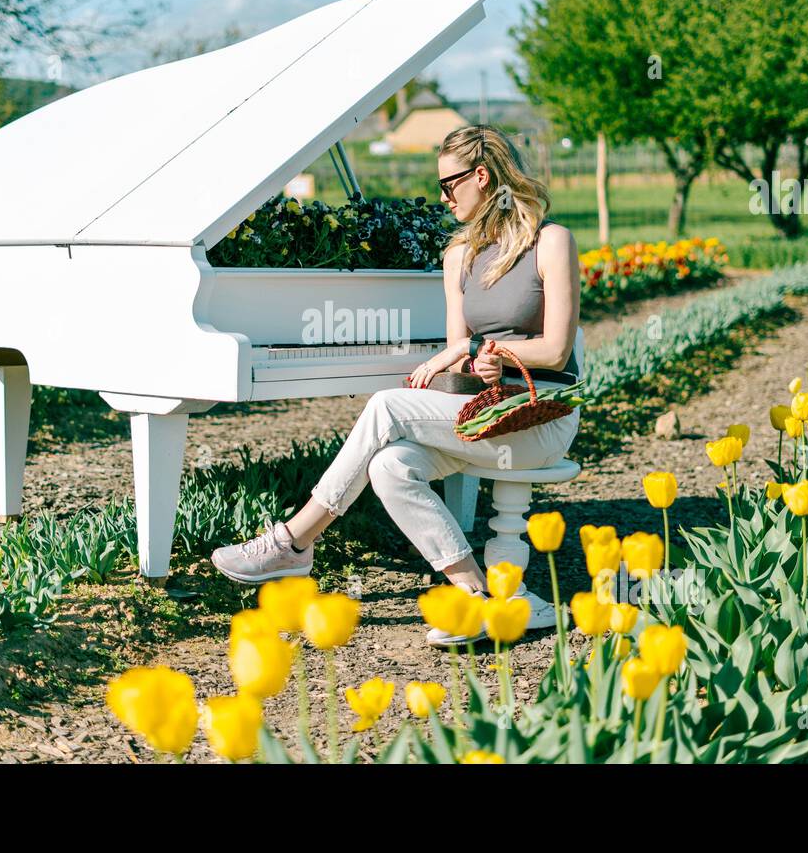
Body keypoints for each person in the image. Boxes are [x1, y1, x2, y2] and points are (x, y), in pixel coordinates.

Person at [212, 124, 585, 647]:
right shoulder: (459, 256)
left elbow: (556, 351)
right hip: (484, 416)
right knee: (391, 465)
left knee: (387, 406)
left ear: (482, 176)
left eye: (449, 185)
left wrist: (483, 352)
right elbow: (460, 357)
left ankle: (295, 540)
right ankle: (478, 599)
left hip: (539, 417)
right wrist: (468, 363)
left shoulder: (551, 241)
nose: (443, 197)